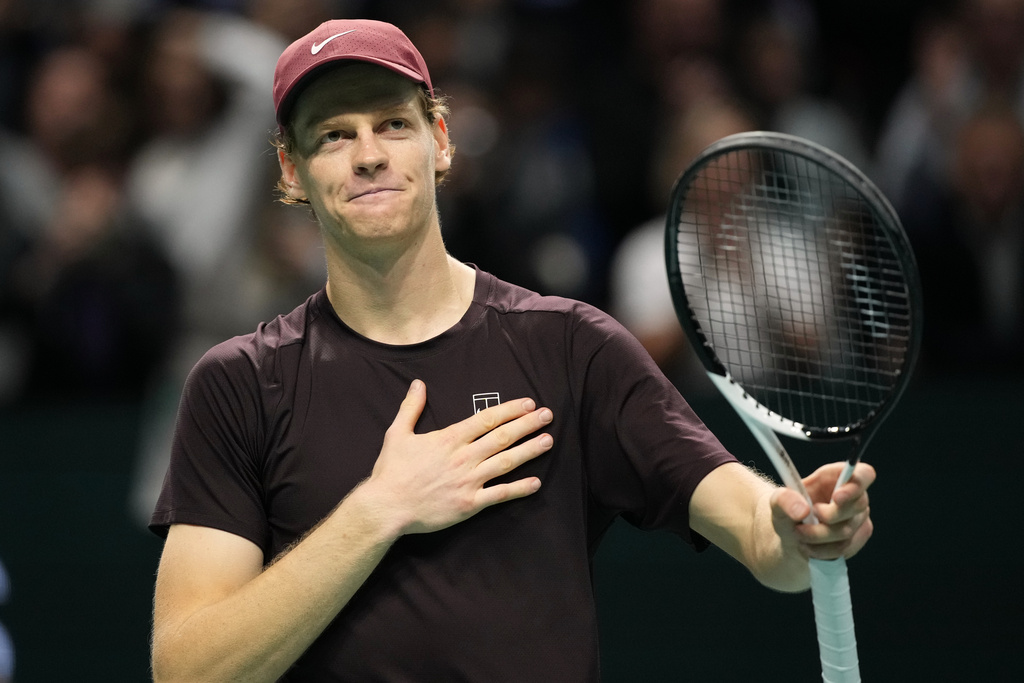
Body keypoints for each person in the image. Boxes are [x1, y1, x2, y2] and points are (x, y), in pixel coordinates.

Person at [148, 18, 875, 683]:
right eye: (334, 135)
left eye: (393, 124)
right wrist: (378, 511)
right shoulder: (238, 384)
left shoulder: (571, 347)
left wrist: (799, 530)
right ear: (290, 168)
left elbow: (760, 535)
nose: (368, 155)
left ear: (440, 139)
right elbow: (188, 672)